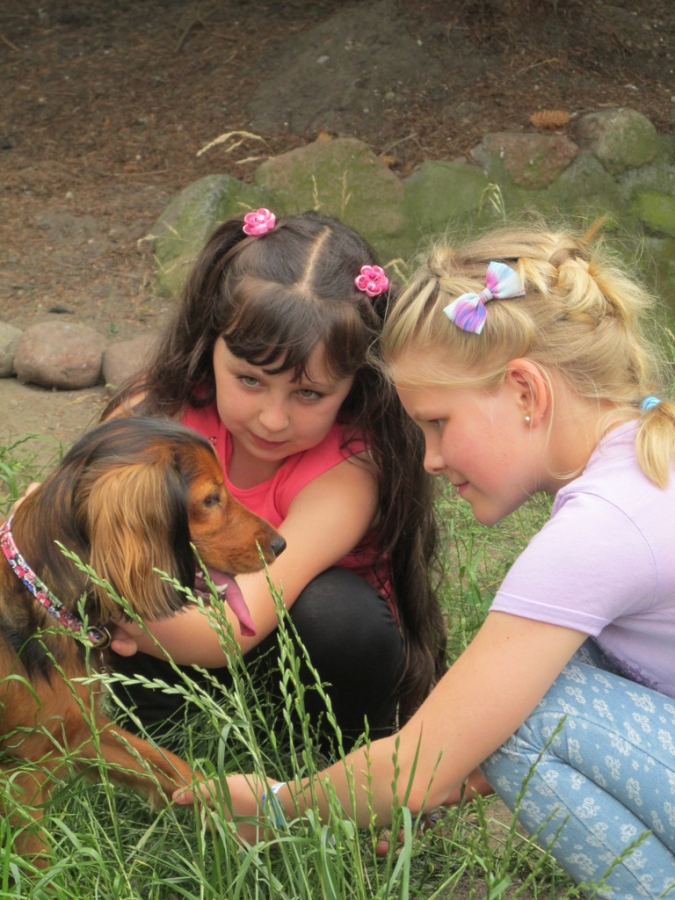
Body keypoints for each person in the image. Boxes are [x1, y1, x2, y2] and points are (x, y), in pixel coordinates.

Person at [180, 224, 675, 898]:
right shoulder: (643, 456)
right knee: (541, 680)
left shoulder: (601, 529)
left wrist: (275, 805)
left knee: (530, 713)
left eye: (438, 423)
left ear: (525, 392)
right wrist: (446, 783)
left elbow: (421, 759)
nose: (429, 458)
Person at [104, 208, 446, 750]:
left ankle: (340, 755)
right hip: (164, 646)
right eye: (249, 380)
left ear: (356, 383)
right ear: (208, 341)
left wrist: (98, 606)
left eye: (309, 394)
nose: (272, 418)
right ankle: (164, 735)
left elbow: (230, 631)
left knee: (337, 615)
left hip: (300, 670)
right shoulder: (155, 413)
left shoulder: (348, 471)